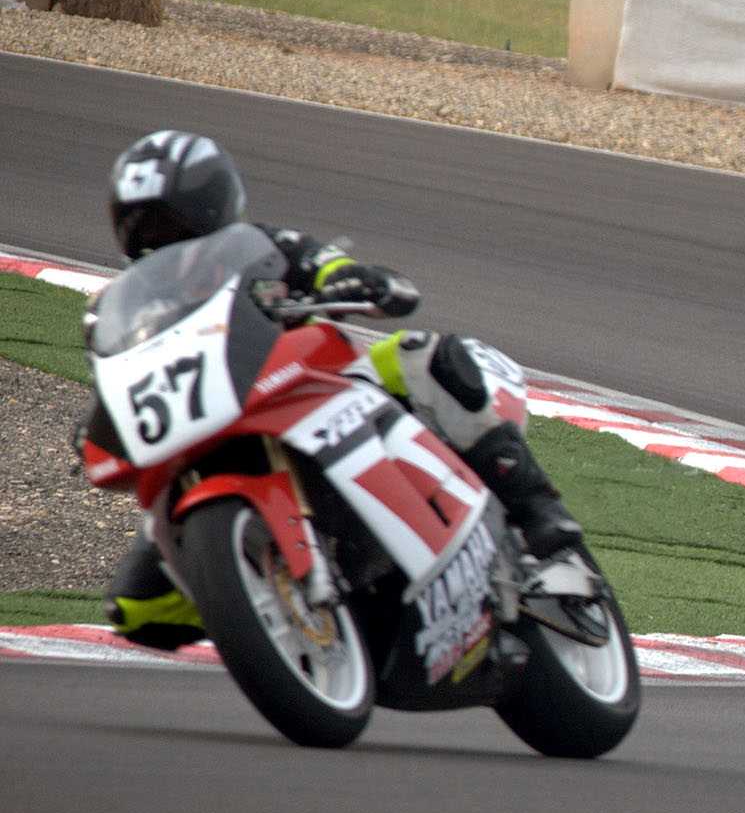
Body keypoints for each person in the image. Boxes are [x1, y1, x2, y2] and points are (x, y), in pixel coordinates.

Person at [92, 129, 584, 650]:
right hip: (213, 430)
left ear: (211, 209)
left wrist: (352, 278)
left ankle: (538, 513)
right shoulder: (127, 308)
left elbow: (326, 262)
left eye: (171, 222)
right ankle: (262, 593)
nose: (161, 240)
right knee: (135, 608)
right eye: (143, 228)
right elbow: (118, 371)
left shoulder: (264, 249)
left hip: (312, 387)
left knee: (422, 355)